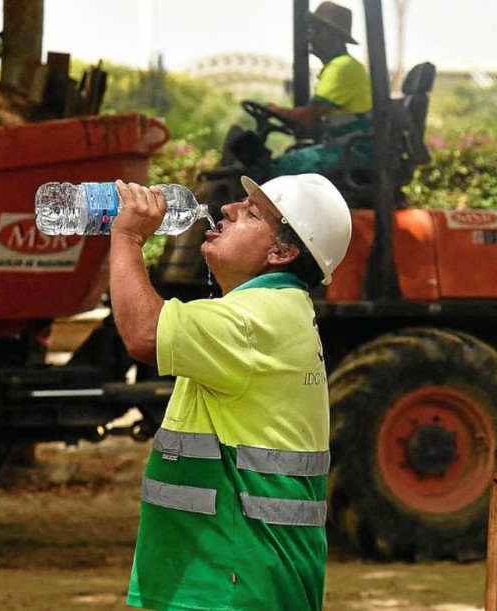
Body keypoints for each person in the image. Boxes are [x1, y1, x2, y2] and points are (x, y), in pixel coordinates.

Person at [109, 173, 353, 610]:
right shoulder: (273, 310)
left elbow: (144, 334)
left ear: (282, 252)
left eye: (252, 213)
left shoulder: (257, 317)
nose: (227, 209)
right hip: (229, 576)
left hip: (232, 582)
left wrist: (127, 237)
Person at [232, 2, 373, 179]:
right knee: (291, 157)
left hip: (354, 153)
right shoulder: (342, 67)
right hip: (348, 149)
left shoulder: (341, 67)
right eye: (310, 30)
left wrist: (275, 110)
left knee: (275, 170)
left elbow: (307, 116)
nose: (310, 37)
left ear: (335, 36)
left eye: (317, 31)